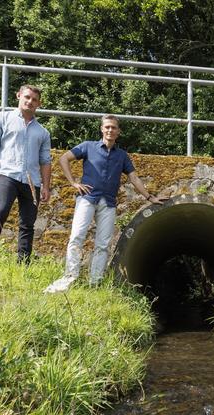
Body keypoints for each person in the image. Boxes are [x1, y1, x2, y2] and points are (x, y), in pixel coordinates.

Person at [44, 115, 160, 293]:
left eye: (113, 127)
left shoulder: (122, 156)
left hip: (109, 203)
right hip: (87, 198)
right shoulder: (88, 147)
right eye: (107, 127)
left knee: (103, 244)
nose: (110, 130)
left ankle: (95, 282)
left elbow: (134, 178)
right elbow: (63, 159)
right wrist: (73, 183)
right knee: (76, 237)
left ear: (118, 132)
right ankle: (70, 277)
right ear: (101, 129)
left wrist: (149, 197)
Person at [0, 84, 52, 263]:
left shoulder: (43, 132)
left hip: (32, 182)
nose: (30, 101)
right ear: (18, 95)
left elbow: (45, 161)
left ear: (39, 104)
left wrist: (46, 186)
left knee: (27, 224)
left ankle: (23, 264)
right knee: (0, 211)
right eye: (27, 97)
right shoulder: (1, 118)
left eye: (34, 100)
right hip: (8, 175)